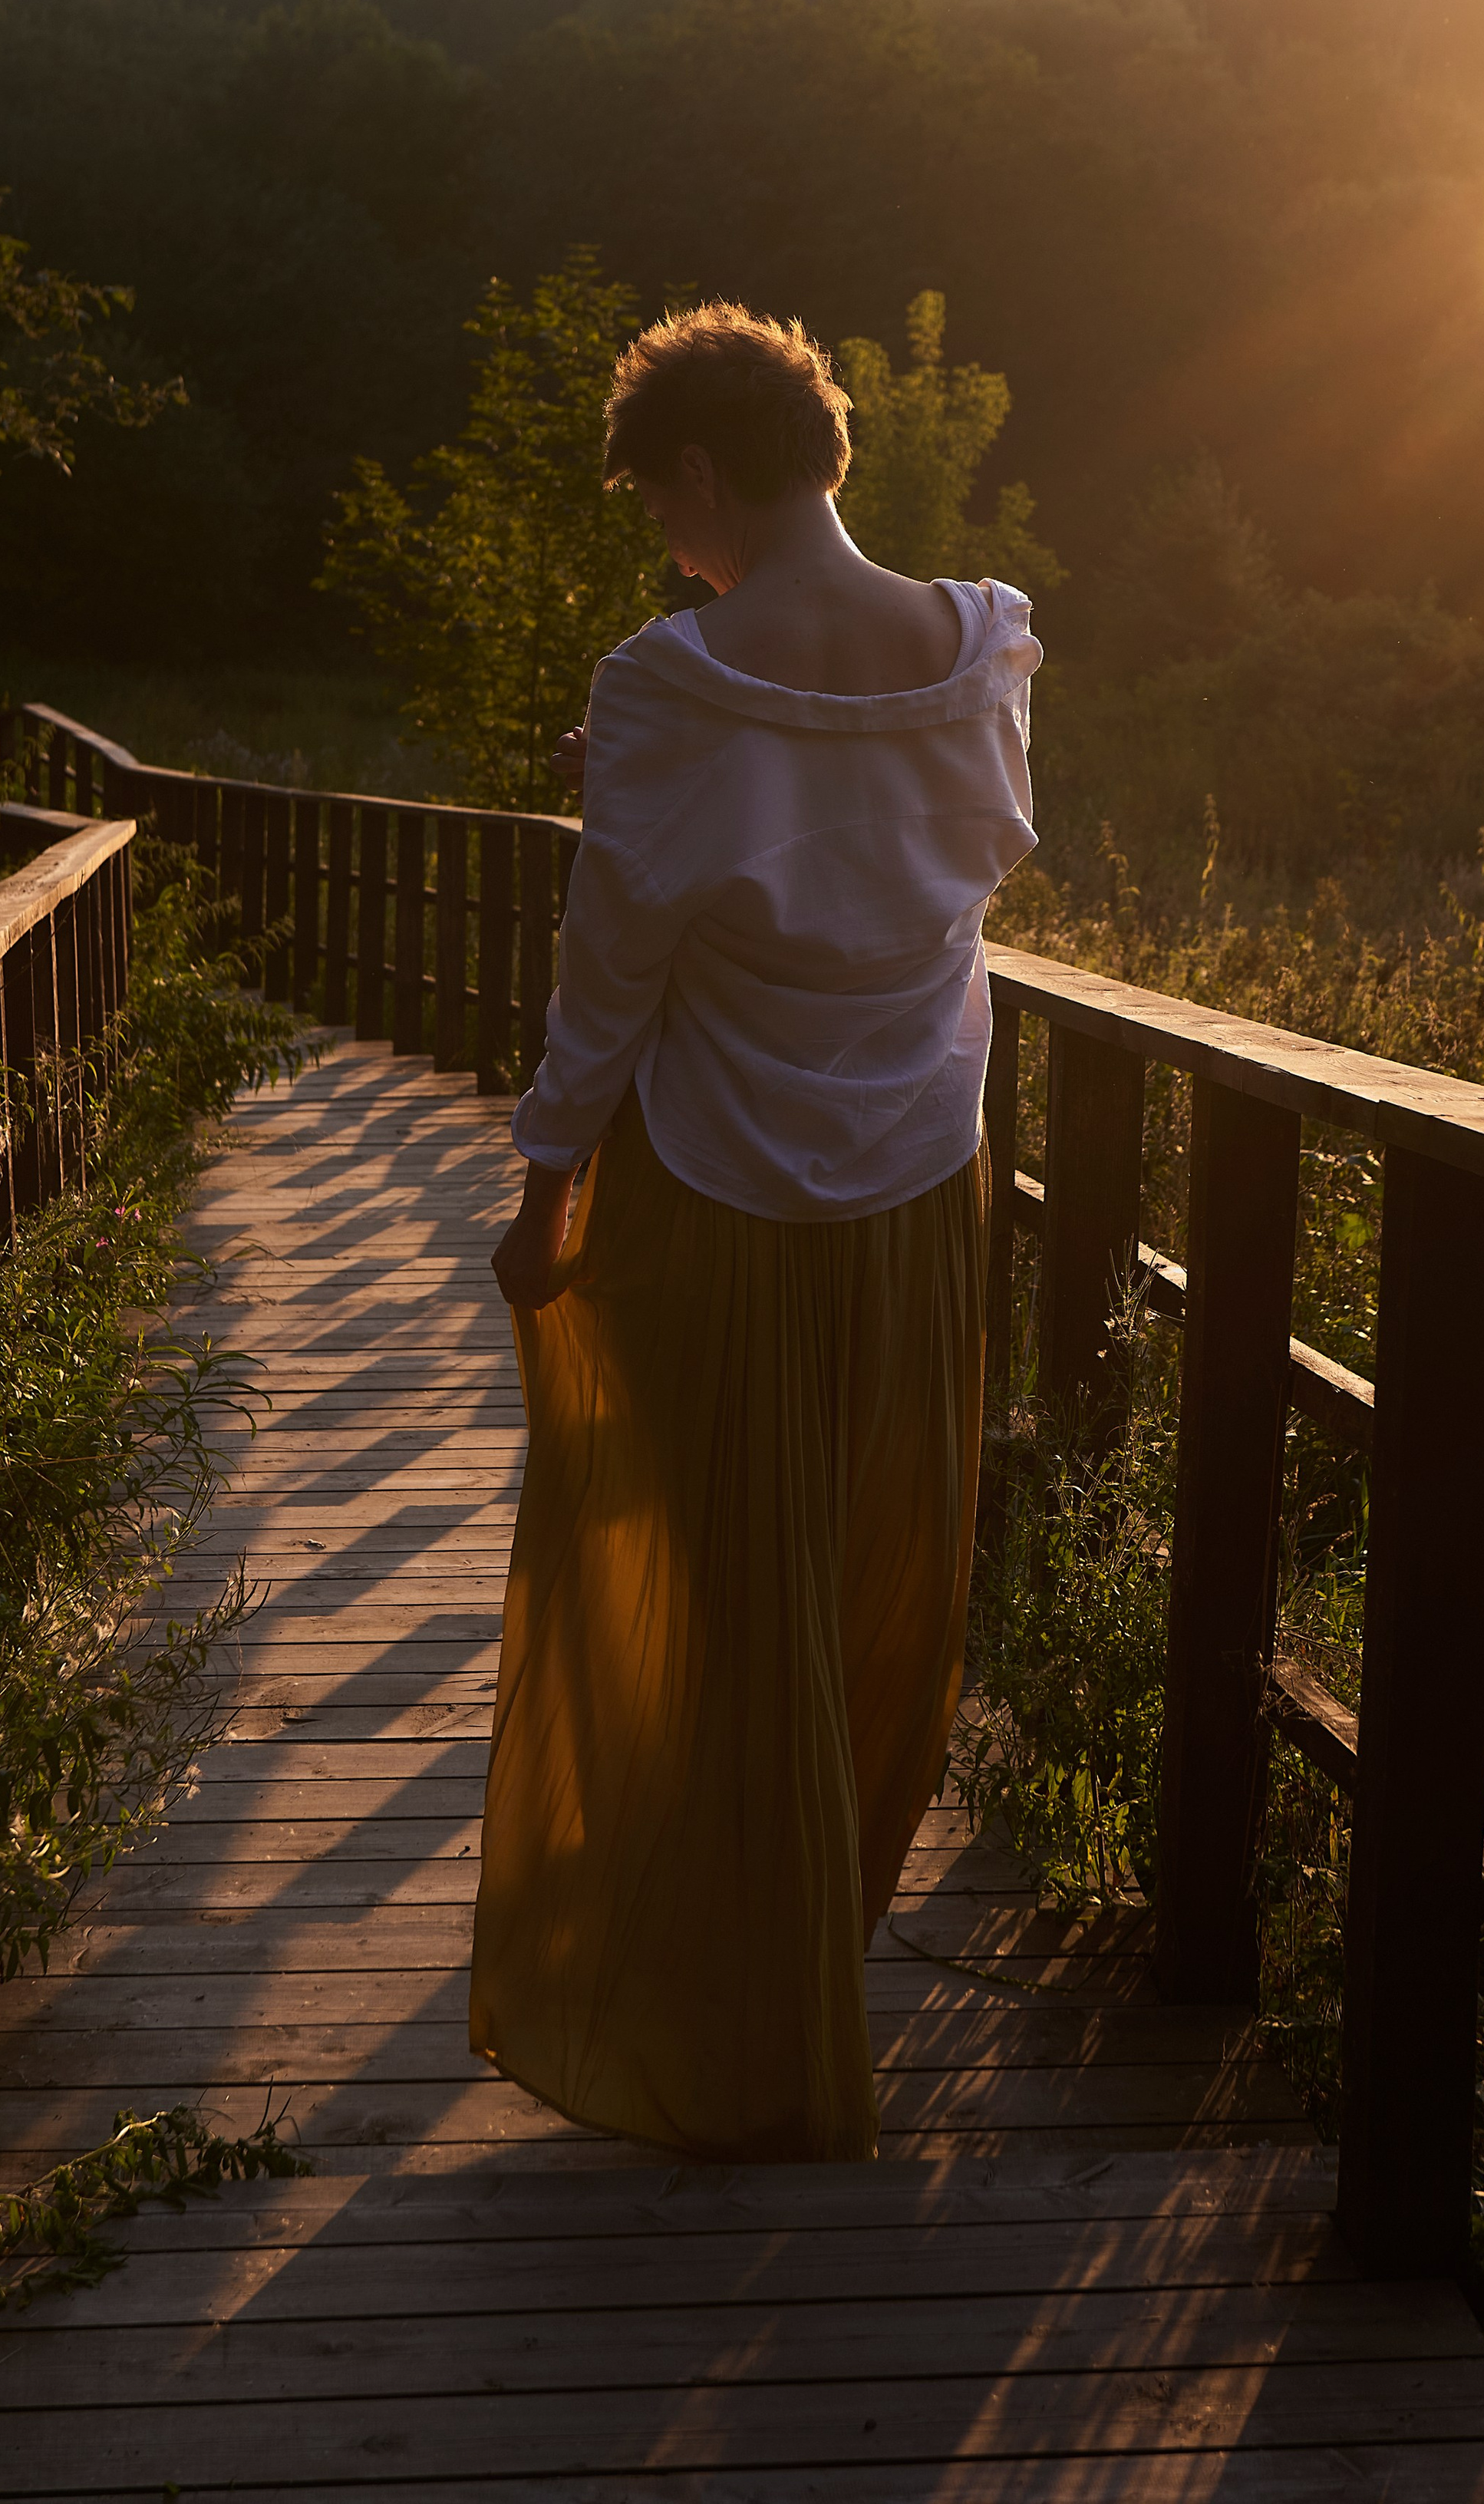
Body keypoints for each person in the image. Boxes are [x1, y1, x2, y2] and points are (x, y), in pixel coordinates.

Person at [469, 300, 1040, 2161]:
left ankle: (735, 2012)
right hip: (915, 1186)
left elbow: (614, 961)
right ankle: (811, 1961)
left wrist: (549, 1183)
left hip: (716, 1187)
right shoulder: (987, 642)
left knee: (722, 1590)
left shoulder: (664, 680)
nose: (668, 547)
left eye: (661, 506)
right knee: (870, 1571)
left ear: (703, 473)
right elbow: (943, 869)